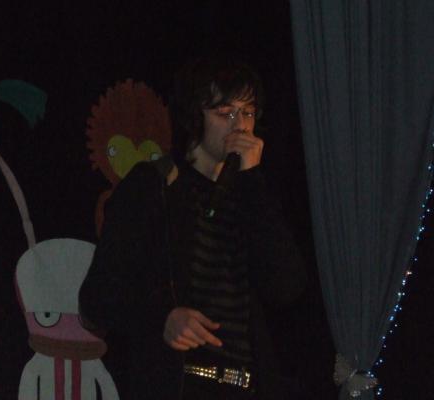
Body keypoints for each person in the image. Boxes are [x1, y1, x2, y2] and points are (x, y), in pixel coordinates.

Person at [79, 55, 307, 399]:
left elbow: (286, 287)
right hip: (180, 384)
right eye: (225, 113)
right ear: (194, 116)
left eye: (247, 113)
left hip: (245, 387)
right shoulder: (153, 187)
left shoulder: (251, 196)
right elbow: (98, 298)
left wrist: (251, 182)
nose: (240, 127)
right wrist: (163, 318)